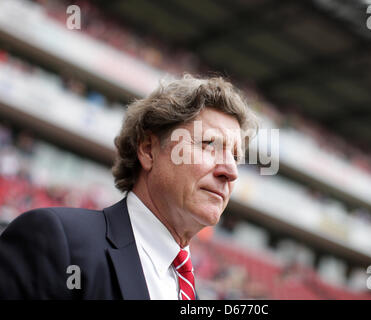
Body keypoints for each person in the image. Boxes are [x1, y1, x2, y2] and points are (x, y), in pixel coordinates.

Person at [0, 74, 258, 299]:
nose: (231, 172)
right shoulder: (59, 241)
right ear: (148, 150)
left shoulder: (194, 296)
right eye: (209, 144)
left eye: (235, 158)